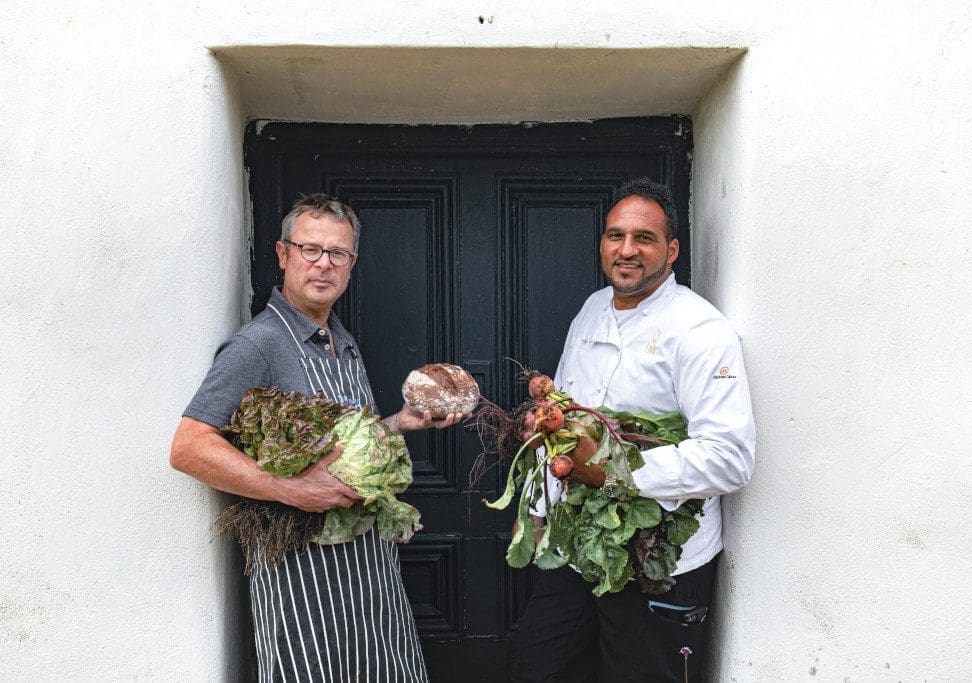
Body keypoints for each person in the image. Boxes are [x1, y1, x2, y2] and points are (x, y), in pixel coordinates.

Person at [171, 193, 462, 682]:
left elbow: (346, 448)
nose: (323, 264)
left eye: (338, 254)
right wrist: (292, 489)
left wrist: (400, 423)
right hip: (301, 578)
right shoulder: (258, 345)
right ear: (283, 254)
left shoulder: (340, 340)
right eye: (310, 249)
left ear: (351, 265)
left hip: (368, 568)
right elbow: (189, 446)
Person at [506, 178, 756, 682]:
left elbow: (730, 457)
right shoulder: (592, 309)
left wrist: (610, 471)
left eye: (644, 238)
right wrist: (536, 509)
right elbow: (567, 418)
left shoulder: (700, 331)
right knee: (536, 670)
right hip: (577, 549)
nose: (626, 250)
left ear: (672, 250)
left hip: (658, 560)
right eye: (615, 235)